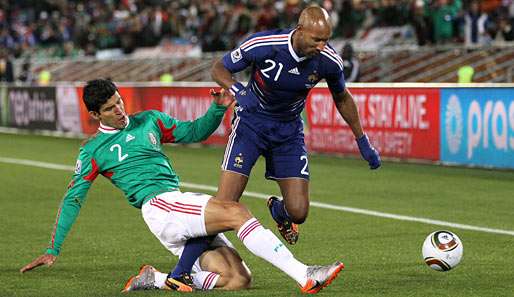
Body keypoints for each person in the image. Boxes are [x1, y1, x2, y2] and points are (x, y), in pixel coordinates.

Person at [20, 79, 344, 294]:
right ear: (94, 114)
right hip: (159, 206)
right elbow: (73, 198)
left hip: (174, 206)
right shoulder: (93, 150)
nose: (120, 111)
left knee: (238, 280)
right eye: (110, 108)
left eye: (119, 102)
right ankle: (305, 274)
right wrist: (53, 249)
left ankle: (157, 278)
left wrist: (217, 109)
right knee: (234, 210)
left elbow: (193, 132)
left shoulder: (149, 120)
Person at [210, 5, 381, 245]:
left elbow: (342, 97)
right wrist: (238, 90)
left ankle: (279, 212)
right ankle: (189, 263)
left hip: (288, 131)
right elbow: (219, 67)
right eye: (317, 39)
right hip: (251, 124)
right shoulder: (264, 44)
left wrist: (362, 140)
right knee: (225, 205)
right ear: (300, 30)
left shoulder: (328, 61)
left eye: (326, 40)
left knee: (299, 212)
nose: (322, 46)